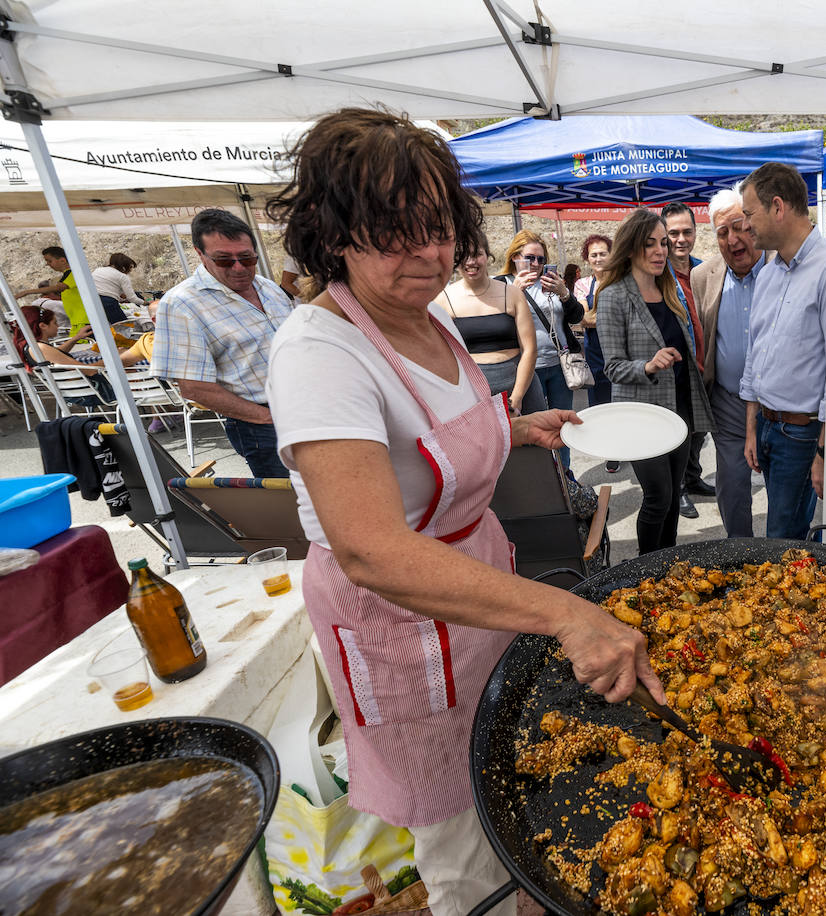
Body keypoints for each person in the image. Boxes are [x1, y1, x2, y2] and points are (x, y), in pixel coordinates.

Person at [262, 109, 662, 916]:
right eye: (392, 233)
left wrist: (515, 429)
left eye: (438, 228)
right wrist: (567, 614)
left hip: (476, 586)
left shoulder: (430, 314)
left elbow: (429, 437)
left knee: (506, 789)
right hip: (399, 618)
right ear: (334, 234)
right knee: (459, 841)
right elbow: (372, 549)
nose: (427, 253)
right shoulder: (317, 352)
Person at [739, 162, 826, 539]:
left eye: (749, 214)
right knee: (784, 535)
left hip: (802, 435)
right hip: (769, 426)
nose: (746, 225)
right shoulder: (769, 272)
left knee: (783, 539)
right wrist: (753, 427)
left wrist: (824, 452)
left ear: (778, 207)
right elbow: (755, 353)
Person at [595, 208, 714, 554]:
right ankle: (646, 566)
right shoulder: (614, 295)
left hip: (679, 408)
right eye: (650, 244)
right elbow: (612, 367)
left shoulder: (669, 289)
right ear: (632, 247)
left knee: (674, 496)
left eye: (663, 243)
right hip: (641, 414)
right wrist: (647, 366)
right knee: (658, 496)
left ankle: (668, 562)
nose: (661, 250)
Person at [151, 208, 293, 478]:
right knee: (291, 499)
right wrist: (266, 418)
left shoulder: (267, 286)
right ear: (200, 254)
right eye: (224, 260)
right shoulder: (181, 303)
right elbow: (194, 387)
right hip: (262, 424)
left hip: (305, 407)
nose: (239, 267)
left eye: (247, 258)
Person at [693, 187, 767, 538]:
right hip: (728, 403)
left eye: (739, 227)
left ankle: (785, 556)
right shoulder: (702, 276)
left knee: (784, 489)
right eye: (723, 232)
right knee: (732, 487)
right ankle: (740, 552)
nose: (732, 239)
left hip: (778, 404)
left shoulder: (782, 267)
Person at [497, 230, 583, 469]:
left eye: (541, 259)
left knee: (563, 426)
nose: (535, 264)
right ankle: (544, 476)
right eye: (530, 258)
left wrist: (565, 294)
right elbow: (498, 325)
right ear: (515, 257)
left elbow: (577, 317)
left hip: (558, 366)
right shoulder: (501, 284)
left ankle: (565, 475)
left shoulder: (551, 282)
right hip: (525, 371)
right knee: (534, 429)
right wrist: (514, 293)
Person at [436, 234, 544, 414]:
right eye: (463, 255)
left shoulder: (512, 294)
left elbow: (529, 350)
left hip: (521, 387)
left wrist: (516, 399)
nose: (471, 261)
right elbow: (441, 357)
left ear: (487, 255)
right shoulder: (443, 299)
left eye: (477, 254)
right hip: (473, 393)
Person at [661, 202, 712, 519]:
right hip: (678, 371)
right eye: (674, 233)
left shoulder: (704, 271)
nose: (681, 239)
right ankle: (678, 489)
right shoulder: (657, 274)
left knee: (699, 430)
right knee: (680, 432)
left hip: (706, 366)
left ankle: (693, 478)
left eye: (687, 232)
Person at [573, 234, 619, 471]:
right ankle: (610, 450)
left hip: (621, 350)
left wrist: (596, 317)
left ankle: (627, 443)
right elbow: (583, 318)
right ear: (587, 259)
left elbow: (593, 317)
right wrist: (614, 317)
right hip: (596, 353)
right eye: (594, 255)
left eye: (603, 253)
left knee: (623, 400)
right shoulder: (582, 284)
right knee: (601, 404)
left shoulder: (621, 280)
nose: (599, 258)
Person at [9, 305, 113, 406]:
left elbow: (57, 355)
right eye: (55, 322)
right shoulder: (41, 348)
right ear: (43, 326)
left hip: (77, 393)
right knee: (120, 373)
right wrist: (115, 359)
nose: (58, 326)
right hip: (93, 393)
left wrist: (75, 338)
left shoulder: (32, 347)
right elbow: (89, 371)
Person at [16, 246, 89, 333]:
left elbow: (58, 288)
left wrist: (27, 292)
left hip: (84, 321)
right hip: (78, 322)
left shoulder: (74, 273)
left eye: (50, 261)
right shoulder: (67, 275)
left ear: (62, 260)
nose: (47, 264)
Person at [92, 253, 144, 321]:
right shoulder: (122, 276)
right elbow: (132, 298)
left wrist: (121, 298)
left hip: (92, 301)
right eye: (130, 268)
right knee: (124, 325)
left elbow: (106, 289)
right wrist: (146, 303)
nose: (130, 271)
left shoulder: (98, 270)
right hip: (109, 303)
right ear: (124, 267)